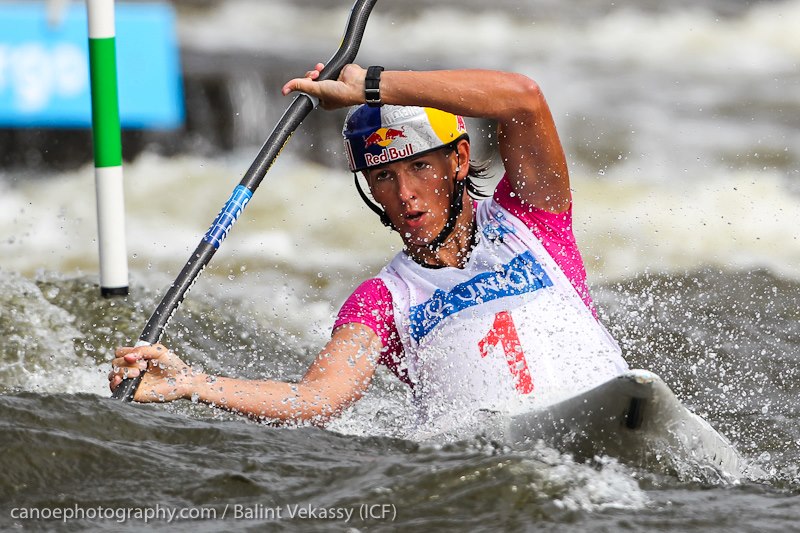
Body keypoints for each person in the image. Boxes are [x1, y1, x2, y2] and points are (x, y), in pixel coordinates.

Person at [109, 63, 628, 429]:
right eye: (383, 177)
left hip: (616, 403)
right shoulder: (383, 299)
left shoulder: (531, 218)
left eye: (419, 166)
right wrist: (193, 384)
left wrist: (371, 86)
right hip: (501, 452)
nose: (405, 194)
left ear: (459, 160)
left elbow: (523, 98)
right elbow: (316, 399)